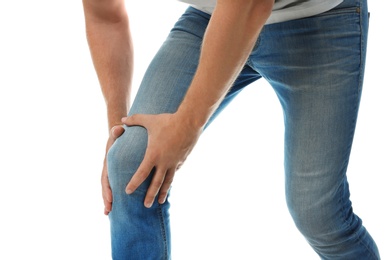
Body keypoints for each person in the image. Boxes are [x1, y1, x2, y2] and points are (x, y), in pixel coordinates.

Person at [82, 0, 380, 259]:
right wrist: (118, 130)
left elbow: (251, 5)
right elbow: (104, 14)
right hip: (212, 17)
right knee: (130, 165)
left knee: (317, 213)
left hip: (318, 19)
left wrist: (187, 125)